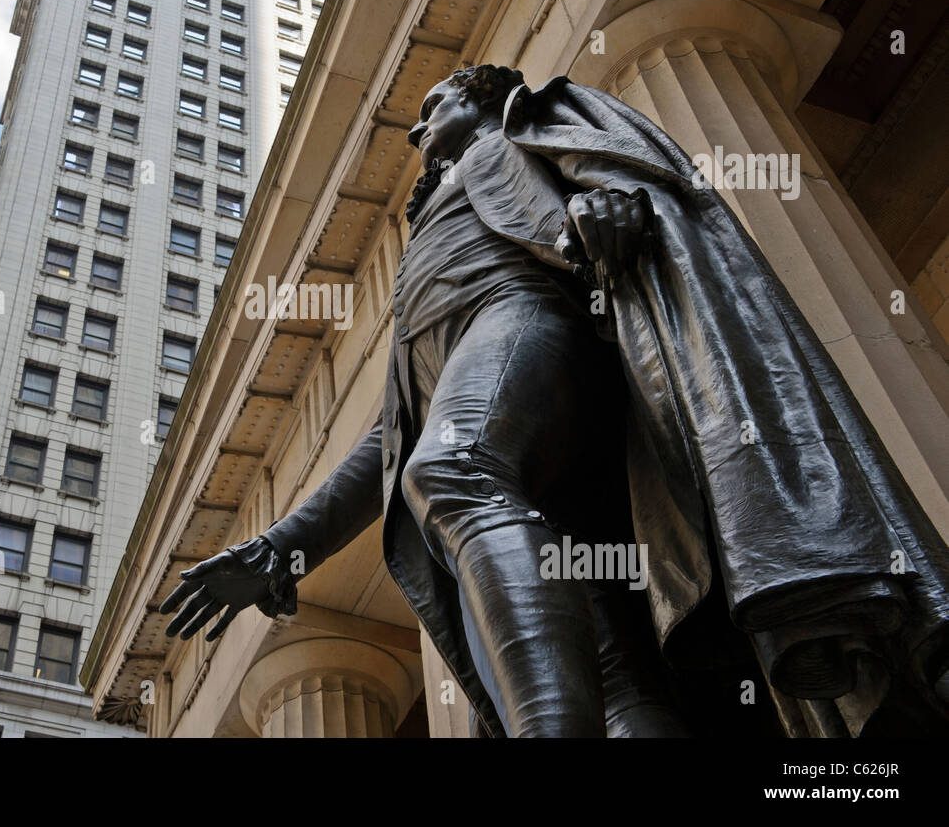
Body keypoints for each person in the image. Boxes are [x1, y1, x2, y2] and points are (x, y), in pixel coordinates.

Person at [160, 66, 949, 738]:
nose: (415, 131)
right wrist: (283, 548)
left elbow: (633, 177)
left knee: (454, 470)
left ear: (483, 95)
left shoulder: (530, 125)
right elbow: (391, 442)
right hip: (539, 459)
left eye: (433, 106)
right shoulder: (421, 250)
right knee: (623, 674)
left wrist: (607, 203)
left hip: (535, 320)